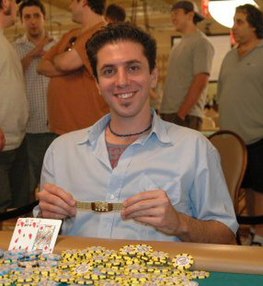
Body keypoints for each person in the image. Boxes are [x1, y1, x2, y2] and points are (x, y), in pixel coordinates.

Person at [37, 23, 238, 244]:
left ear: (153, 76)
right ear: (97, 83)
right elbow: (38, 243)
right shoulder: (61, 151)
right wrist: (47, 220)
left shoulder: (194, 149)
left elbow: (226, 238)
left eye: (133, 68)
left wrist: (180, 223)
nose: (122, 81)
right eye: (109, 71)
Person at [218, 4, 263, 246]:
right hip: (232, 140)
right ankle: (241, 234)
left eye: (239, 21)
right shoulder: (229, 55)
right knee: (235, 190)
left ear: (254, 25)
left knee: (260, 191)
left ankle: (260, 236)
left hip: (258, 135)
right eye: (234, 21)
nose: (234, 26)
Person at [37, 0, 109, 135]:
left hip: (86, 129)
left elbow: (65, 63)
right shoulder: (70, 34)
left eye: (72, 2)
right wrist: (72, 66)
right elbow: (41, 66)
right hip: (61, 128)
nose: (70, 6)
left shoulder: (101, 33)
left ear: (84, 2)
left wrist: (60, 59)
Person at [14, 0, 56, 199]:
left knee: (59, 182)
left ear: (44, 18)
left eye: (36, 16)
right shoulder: (15, 49)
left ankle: (62, 227)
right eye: (27, 17)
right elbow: (13, 73)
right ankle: (33, 224)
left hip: (58, 126)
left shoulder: (58, 46)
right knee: (31, 184)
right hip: (31, 128)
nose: (32, 22)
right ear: (21, 21)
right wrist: (35, 52)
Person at [160, 0, 214, 131]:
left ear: (190, 16)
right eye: (171, 14)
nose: (172, 17)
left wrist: (181, 114)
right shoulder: (177, 45)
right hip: (169, 114)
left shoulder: (201, 42)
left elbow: (201, 80)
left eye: (176, 13)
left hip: (186, 116)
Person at [0, 0, 29, 212]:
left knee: (17, 206)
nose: (17, 7)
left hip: (15, 139)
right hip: (3, 143)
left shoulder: (4, 42)